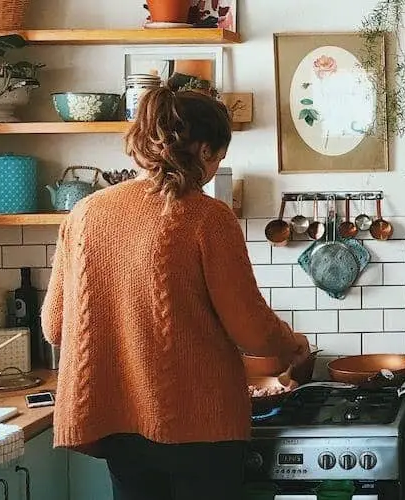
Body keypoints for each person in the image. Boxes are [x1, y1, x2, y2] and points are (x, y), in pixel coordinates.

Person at [41, 86, 310, 500]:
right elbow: (253, 331)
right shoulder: (206, 217)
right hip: (202, 427)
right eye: (219, 156)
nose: (217, 165)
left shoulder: (84, 214)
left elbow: (55, 327)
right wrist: (294, 344)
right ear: (204, 151)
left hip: (120, 428)